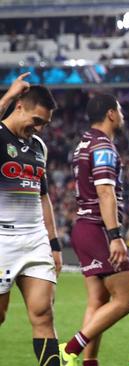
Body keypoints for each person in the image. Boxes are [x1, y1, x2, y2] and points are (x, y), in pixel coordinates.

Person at [61, 93, 129, 366]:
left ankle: (88, 362)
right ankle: (70, 348)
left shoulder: (83, 143)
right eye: (120, 110)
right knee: (127, 299)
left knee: (98, 300)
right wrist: (115, 237)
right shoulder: (103, 146)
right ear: (110, 114)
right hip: (98, 229)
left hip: (84, 227)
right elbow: (105, 191)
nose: (123, 115)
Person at [0, 77, 62, 366]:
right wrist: (6, 96)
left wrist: (54, 243)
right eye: (37, 120)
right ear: (20, 106)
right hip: (2, 239)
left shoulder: (38, 146)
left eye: (45, 124)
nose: (39, 128)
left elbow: (43, 196)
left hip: (34, 240)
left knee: (43, 314)